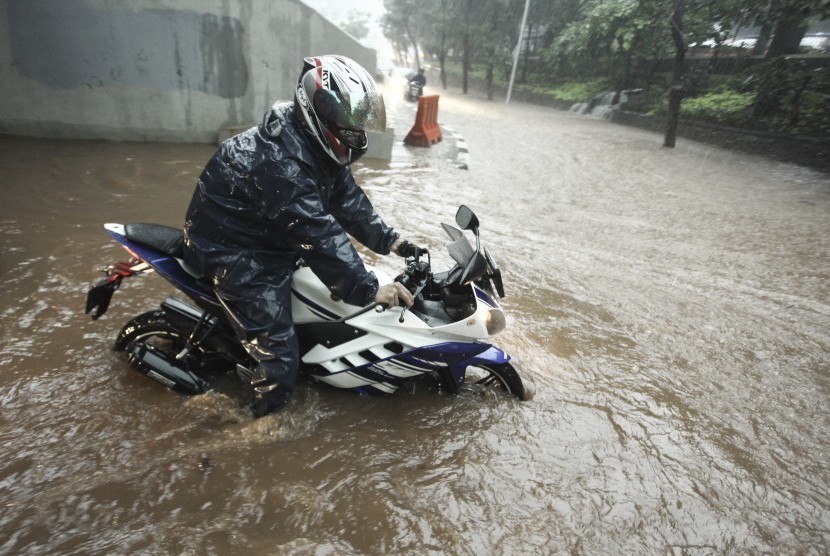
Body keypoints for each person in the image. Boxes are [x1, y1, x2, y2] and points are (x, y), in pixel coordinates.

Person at [183, 55, 418, 417]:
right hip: (235, 252)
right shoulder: (279, 163)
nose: (355, 129)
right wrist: (369, 289)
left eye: (358, 121)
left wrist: (392, 242)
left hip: (269, 240)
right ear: (317, 108)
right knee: (280, 357)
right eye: (348, 119)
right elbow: (318, 233)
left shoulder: (313, 146)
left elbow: (348, 201)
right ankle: (256, 423)